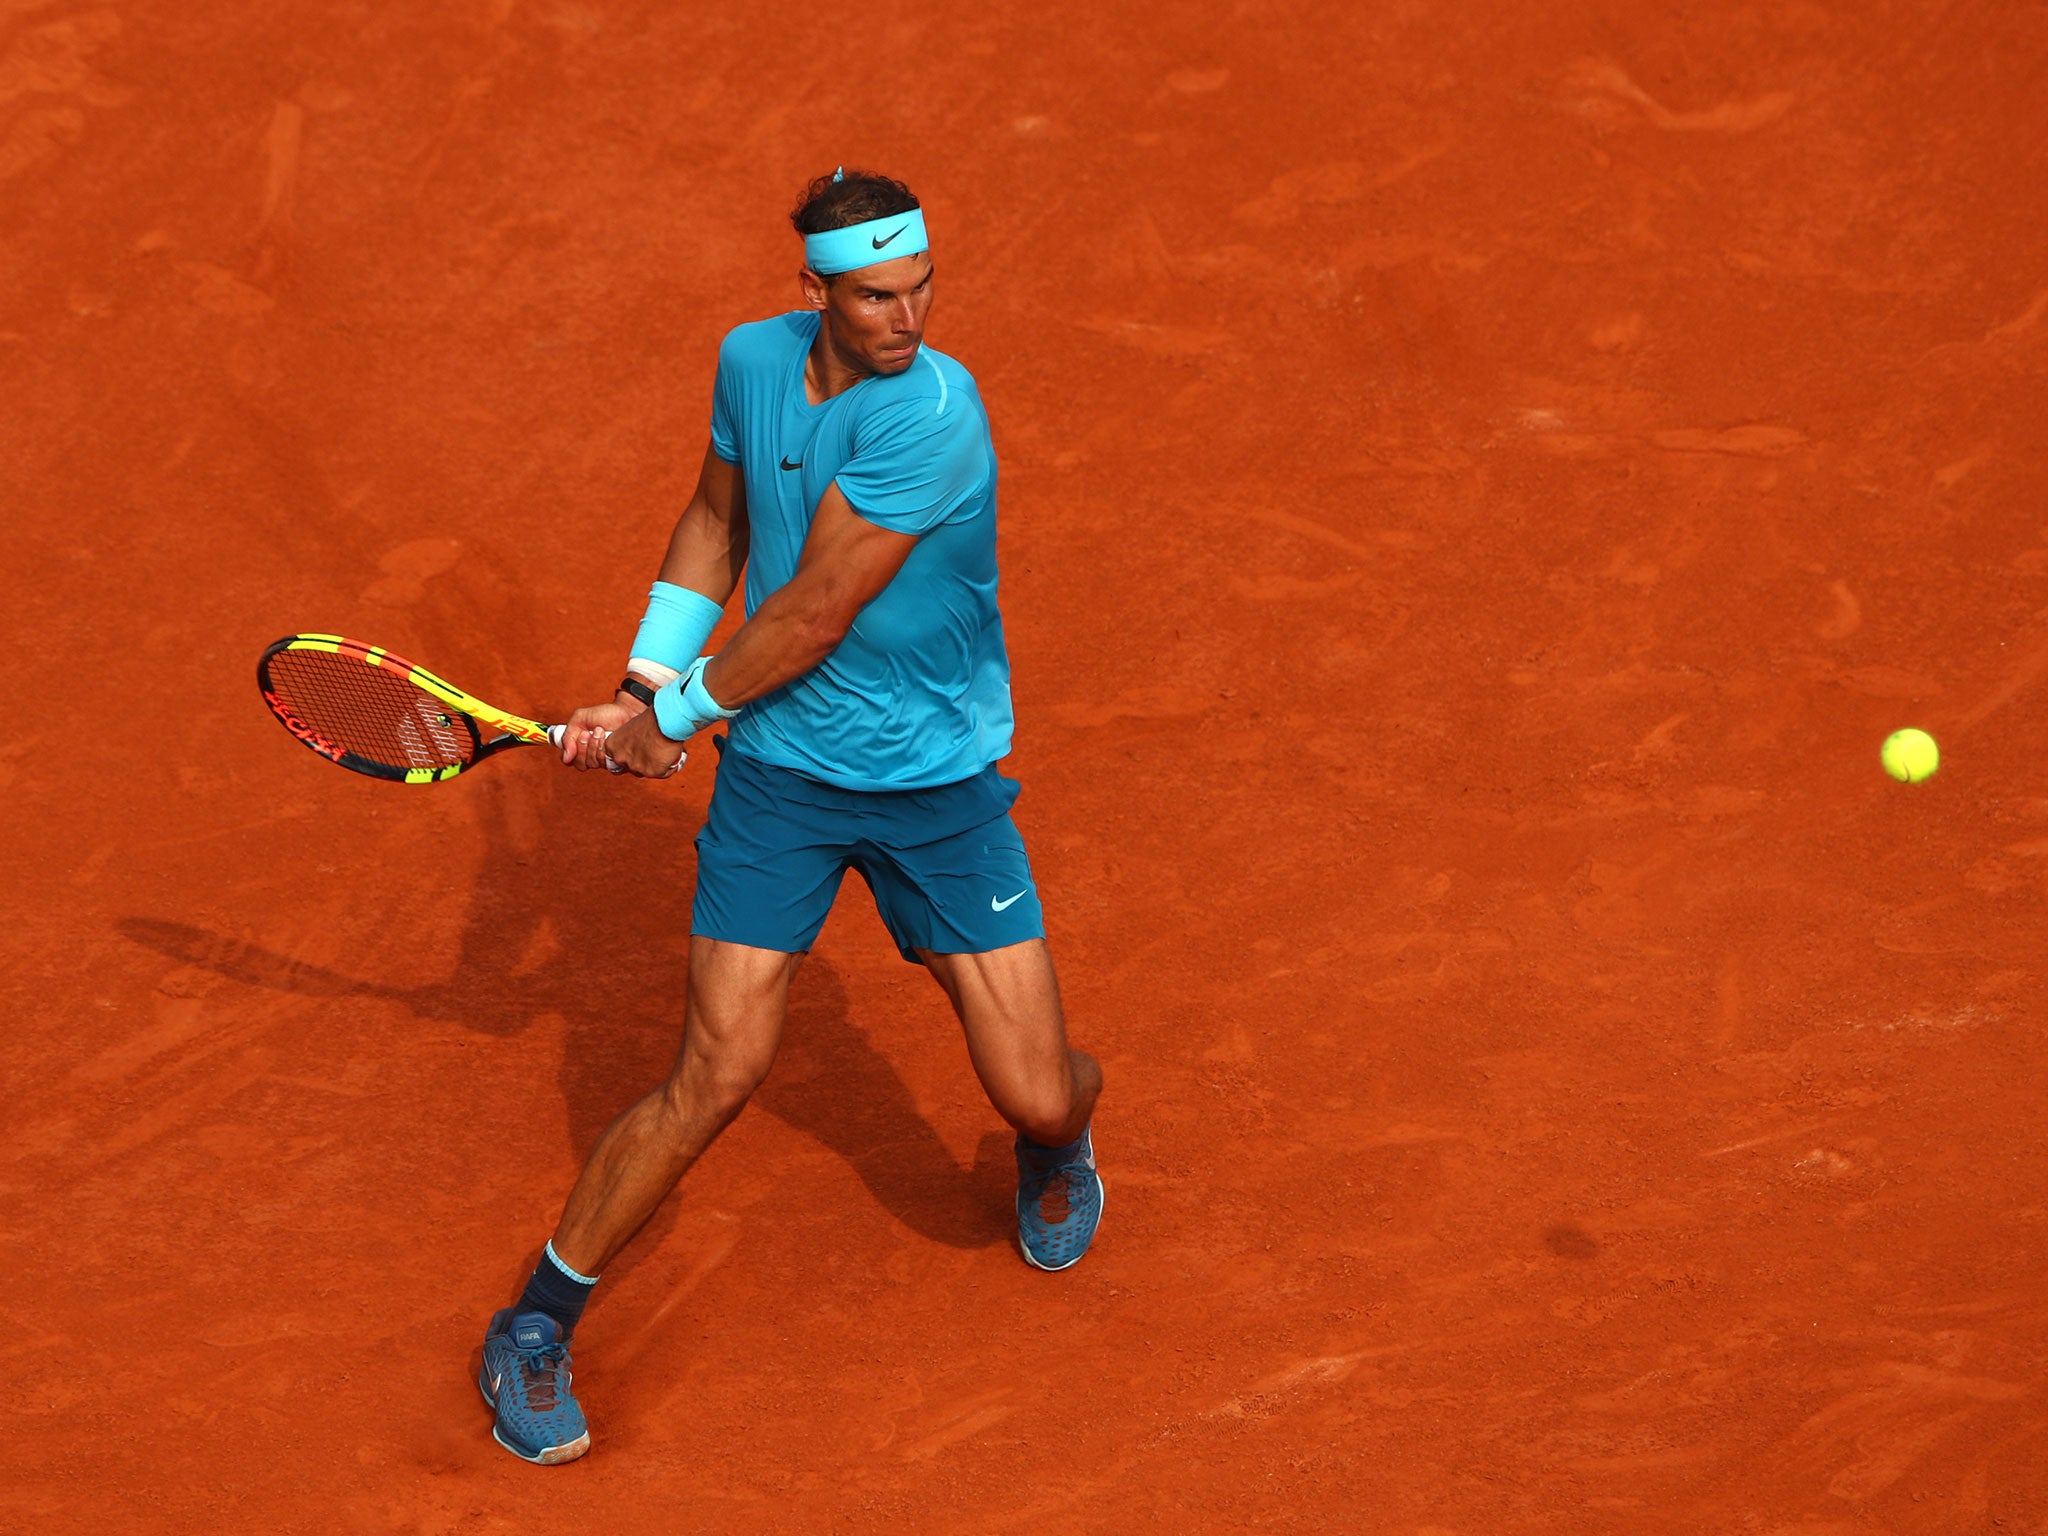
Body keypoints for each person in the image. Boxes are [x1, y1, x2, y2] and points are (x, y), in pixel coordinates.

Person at [476, 169, 1106, 1466]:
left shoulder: (936, 411)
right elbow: (715, 521)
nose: (908, 314)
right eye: (876, 293)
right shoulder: (751, 364)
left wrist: (675, 720)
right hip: (785, 784)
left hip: (939, 787)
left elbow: (816, 608)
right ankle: (534, 1325)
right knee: (715, 1071)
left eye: (921, 283)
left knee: (1036, 1090)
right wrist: (647, 679)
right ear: (811, 289)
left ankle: (1061, 1145)